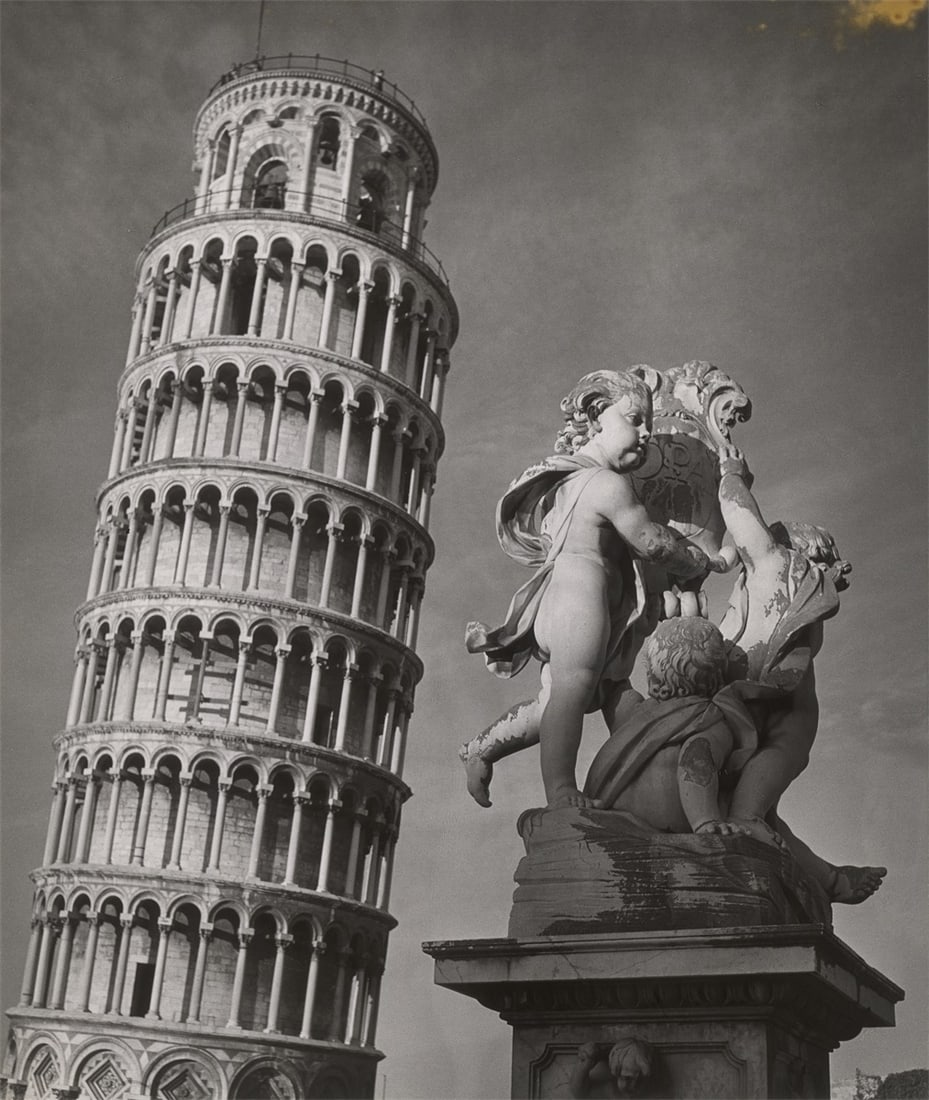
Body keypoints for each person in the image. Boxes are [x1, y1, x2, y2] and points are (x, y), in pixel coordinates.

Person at [463, 370, 728, 809]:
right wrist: (698, 561)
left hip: (572, 600)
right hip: (579, 597)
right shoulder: (605, 484)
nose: (645, 433)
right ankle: (562, 791)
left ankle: (483, 747)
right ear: (597, 414)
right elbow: (651, 541)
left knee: (592, 692)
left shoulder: (567, 484)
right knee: (574, 686)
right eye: (635, 420)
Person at [716, 442, 885, 903]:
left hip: (782, 732)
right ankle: (832, 880)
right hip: (766, 721)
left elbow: (742, 520)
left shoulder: (782, 573)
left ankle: (788, 890)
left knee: (746, 814)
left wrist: (730, 473)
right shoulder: (762, 596)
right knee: (762, 816)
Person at [584, 616, 760, 838]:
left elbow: (610, 682)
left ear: (651, 674)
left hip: (609, 814)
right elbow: (695, 758)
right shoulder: (710, 720)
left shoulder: (632, 709)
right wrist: (706, 821)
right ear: (719, 675)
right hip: (668, 827)